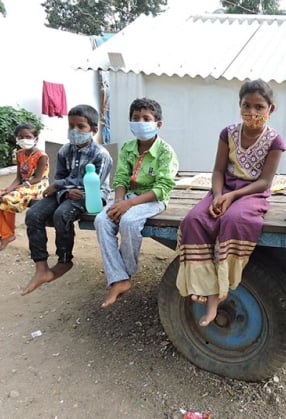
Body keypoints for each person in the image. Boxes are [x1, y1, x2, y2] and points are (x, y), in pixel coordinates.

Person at [176, 79, 286, 327]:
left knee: (234, 220)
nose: (252, 112)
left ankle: (220, 290)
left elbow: (265, 182)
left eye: (259, 107)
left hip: (251, 192)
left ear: (271, 109)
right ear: (239, 106)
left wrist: (233, 196)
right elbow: (217, 170)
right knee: (194, 220)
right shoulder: (228, 133)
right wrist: (217, 196)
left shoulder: (275, 141)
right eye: (246, 105)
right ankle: (203, 285)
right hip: (223, 187)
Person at [95, 97, 179, 308]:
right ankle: (120, 278)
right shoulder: (128, 148)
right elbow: (121, 178)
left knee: (129, 222)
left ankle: (125, 273)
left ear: (157, 124)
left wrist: (128, 206)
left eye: (146, 118)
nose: (140, 121)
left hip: (153, 199)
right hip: (129, 197)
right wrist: (119, 201)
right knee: (102, 220)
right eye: (135, 118)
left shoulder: (165, 152)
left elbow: (162, 188)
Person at [21, 104, 113, 296]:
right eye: (71, 126)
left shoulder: (101, 155)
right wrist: (63, 191)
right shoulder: (65, 151)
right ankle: (41, 267)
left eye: (81, 126)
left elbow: (95, 182)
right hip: (65, 192)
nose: (74, 131)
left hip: (91, 195)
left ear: (94, 130)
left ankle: (64, 260)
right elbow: (60, 176)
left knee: (61, 214)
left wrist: (60, 186)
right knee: (33, 214)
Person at [0, 123, 49, 251]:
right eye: (20, 137)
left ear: (36, 138)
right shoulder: (19, 153)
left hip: (37, 185)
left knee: (9, 198)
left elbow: (37, 178)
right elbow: (18, 177)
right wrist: (8, 189)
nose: (24, 140)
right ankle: (7, 233)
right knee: (2, 196)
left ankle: (7, 235)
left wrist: (16, 189)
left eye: (28, 136)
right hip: (23, 184)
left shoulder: (41, 156)